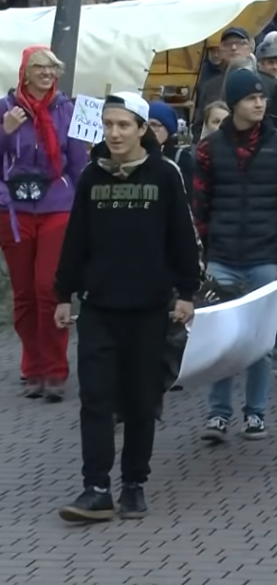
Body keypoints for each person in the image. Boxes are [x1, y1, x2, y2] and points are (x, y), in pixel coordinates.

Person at [53, 92, 200, 522]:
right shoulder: (91, 178)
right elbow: (76, 238)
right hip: (99, 306)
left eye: (123, 125)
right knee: (95, 398)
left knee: (140, 400)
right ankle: (95, 488)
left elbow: (182, 238)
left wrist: (186, 292)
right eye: (108, 125)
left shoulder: (164, 175)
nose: (114, 133)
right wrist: (64, 293)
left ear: (141, 129)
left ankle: (134, 483)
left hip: (150, 308)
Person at [192, 68, 277, 443]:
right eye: (251, 98)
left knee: (261, 341)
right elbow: (200, 208)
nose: (260, 103)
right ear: (235, 103)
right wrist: (202, 257)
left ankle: (255, 412)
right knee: (222, 340)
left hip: (265, 255)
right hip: (223, 255)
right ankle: (219, 413)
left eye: (262, 97)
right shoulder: (209, 149)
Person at [0, 45, 88, 401]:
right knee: (23, 293)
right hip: (14, 209)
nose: (47, 75)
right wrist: (4, 132)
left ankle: (54, 369)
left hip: (56, 205)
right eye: (40, 68)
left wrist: (82, 207)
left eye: (52, 69)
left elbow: (79, 164)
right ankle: (33, 365)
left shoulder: (68, 110)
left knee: (47, 287)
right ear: (25, 72)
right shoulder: (6, 110)